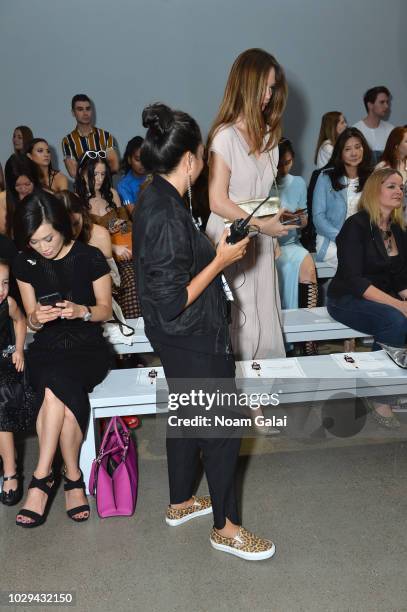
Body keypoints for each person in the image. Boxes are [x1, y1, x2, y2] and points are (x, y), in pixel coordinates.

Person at [134, 102, 275, 561]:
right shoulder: (166, 214)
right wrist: (220, 260)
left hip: (178, 336)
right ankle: (227, 528)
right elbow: (173, 298)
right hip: (190, 335)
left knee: (188, 414)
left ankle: (179, 502)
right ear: (192, 159)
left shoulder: (157, 196)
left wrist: (214, 252)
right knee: (222, 427)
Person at [13, 190, 112, 527]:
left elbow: (105, 310)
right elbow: (29, 319)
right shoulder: (24, 262)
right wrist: (38, 317)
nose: (43, 247)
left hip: (87, 347)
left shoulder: (90, 256)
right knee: (61, 396)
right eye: (34, 241)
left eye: (48, 238)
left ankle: (41, 479)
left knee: (55, 389)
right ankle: (72, 476)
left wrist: (81, 311)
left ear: (62, 225)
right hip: (48, 347)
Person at [206, 48, 295, 361]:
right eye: (265, 87)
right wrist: (261, 224)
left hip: (262, 235)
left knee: (263, 315)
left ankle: (260, 399)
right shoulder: (224, 137)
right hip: (231, 237)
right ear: (247, 83)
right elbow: (217, 200)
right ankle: (241, 403)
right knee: (241, 320)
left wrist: (276, 216)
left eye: (273, 88)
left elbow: (261, 193)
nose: (269, 95)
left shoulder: (270, 135)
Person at [327, 168, 407, 428]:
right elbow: (355, 281)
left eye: (401, 187)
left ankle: (387, 384)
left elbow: (401, 278)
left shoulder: (397, 229)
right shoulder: (356, 225)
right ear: (375, 190)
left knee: (397, 316)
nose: (399, 191)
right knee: (394, 320)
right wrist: (400, 305)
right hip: (347, 298)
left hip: (382, 297)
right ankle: (379, 396)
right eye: (392, 186)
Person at [75, 152, 140, 318]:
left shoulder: (111, 194)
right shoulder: (76, 200)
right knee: (131, 281)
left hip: (126, 251)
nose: (99, 179)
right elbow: (79, 238)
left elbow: (126, 226)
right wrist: (111, 247)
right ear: (82, 173)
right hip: (96, 258)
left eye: (103, 174)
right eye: (94, 174)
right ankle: (129, 325)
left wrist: (117, 225)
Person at [275, 140, 318, 353]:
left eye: (288, 162)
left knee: (307, 264)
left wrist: (294, 220)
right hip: (268, 244)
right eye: (279, 164)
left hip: (291, 242)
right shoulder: (263, 182)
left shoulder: (298, 182)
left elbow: (304, 220)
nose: (284, 168)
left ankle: (308, 338)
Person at [0, 258, 35, 506]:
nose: (1, 290)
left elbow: (20, 321)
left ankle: (10, 471)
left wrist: (19, 350)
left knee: (1, 401)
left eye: (3, 283)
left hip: (5, 362)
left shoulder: (8, 303)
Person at [313, 127, 372, 268]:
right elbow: (318, 217)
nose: (354, 153)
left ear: (364, 149)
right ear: (340, 153)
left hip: (364, 241)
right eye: (347, 149)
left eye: (358, 147)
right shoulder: (325, 177)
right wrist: (343, 237)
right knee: (354, 262)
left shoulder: (372, 178)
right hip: (332, 240)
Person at [55, 190, 120, 288]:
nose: (73, 232)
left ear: (82, 213)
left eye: (76, 223)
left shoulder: (100, 234)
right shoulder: (52, 239)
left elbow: (116, 281)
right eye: (67, 226)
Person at [61, 94, 119, 178]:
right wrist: (101, 169)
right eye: (80, 109)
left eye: (88, 109)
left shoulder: (106, 136)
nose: (85, 113)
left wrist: (84, 169)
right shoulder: (68, 140)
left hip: (105, 188)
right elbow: (73, 172)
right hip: (82, 190)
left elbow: (114, 166)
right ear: (73, 113)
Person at [0, 154, 40, 237]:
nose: (24, 189)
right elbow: (3, 233)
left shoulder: (47, 196)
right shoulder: (2, 200)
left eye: (27, 184)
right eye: (18, 185)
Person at [353, 86, 394, 163]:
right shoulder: (355, 130)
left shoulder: (391, 130)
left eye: (387, 102)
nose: (386, 106)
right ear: (370, 105)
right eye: (382, 102)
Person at [117, 137, 146, 212]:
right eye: (138, 159)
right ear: (129, 160)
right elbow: (133, 214)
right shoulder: (123, 185)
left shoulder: (155, 176)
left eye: (145, 159)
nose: (142, 164)